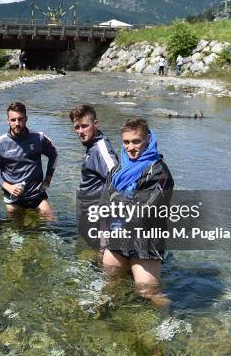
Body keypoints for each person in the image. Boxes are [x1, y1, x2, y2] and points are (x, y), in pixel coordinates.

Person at [100, 117, 174, 310]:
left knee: (149, 292)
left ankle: (171, 324)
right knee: (110, 285)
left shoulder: (159, 173)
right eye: (126, 142)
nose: (130, 147)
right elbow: (104, 204)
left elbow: (142, 212)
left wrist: (116, 201)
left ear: (148, 140)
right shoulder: (117, 170)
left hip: (145, 241)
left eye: (136, 141)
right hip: (118, 236)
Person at [0, 101, 58, 219]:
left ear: (26, 119)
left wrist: (48, 178)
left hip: (37, 195)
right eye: (13, 120)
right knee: (16, 231)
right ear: (8, 121)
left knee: (52, 223)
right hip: (13, 199)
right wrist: (8, 187)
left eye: (20, 119)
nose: (17, 123)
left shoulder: (39, 138)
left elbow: (54, 154)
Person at [69, 104, 119, 194]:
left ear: (96, 124)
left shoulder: (101, 149)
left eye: (84, 126)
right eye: (77, 127)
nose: (80, 131)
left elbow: (117, 178)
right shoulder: (92, 146)